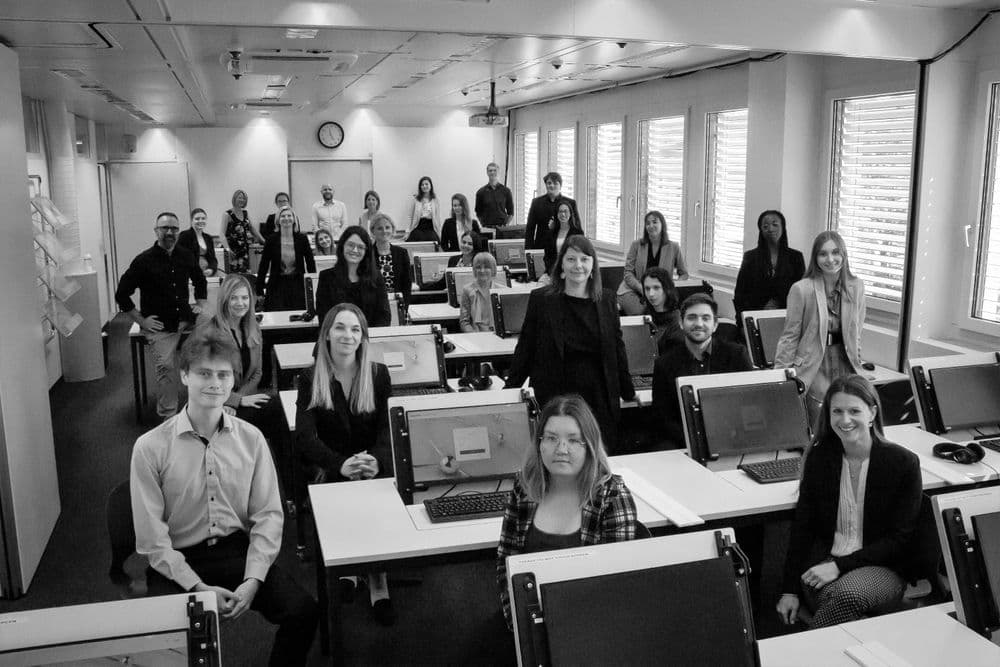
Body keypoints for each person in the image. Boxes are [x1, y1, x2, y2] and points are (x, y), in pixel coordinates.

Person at [130, 331, 318, 666]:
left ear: (233, 381)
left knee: (302, 612)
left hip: (235, 550)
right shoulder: (150, 447)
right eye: (204, 373)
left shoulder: (252, 439)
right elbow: (151, 539)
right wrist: (196, 587)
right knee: (159, 639)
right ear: (185, 375)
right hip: (177, 560)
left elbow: (269, 515)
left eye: (223, 375)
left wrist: (253, 580)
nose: (215, 383)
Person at [776, 375, 922, 629]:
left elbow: (899, 539)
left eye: (854, 411)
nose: (845, 420)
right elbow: (803, 528)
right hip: (824, 566)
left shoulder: (902, 463)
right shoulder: (820, 459)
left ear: (872, 413)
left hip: (882, 568)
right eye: (837, 411)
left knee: (846, 596)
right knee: (844, 605)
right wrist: (789, 591)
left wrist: (839, 566)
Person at [496, 394, 638, 624]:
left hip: (590, 621)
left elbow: (616, 582)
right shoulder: (525, 488)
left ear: (589, 446)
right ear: (539, 443)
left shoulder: (612, 496)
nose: (561, 449)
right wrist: (518, 623)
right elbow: (507, 560)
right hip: (529, 616)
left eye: (573, 440)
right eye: (551, 438)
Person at [295, 304, 395, 625]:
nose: (347, 335)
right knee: (345, 500)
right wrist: (341, 464)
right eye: (339, 327)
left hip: (372, 464)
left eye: (355, 330)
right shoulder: (311, 377)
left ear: (363, 337)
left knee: (376, 498)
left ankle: (378, 579)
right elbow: (306, 439)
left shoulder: (378, 374)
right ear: (326, 333)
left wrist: (376, 460)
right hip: (334, 465)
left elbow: (387, 428)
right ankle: (350, 571)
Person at [505, 235, 635, 452]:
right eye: (571, 259)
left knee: (596, 456)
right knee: (559, 454)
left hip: (598, 394)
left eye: (585, 259)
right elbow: (526, 347)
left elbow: (617, 348)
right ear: (562, 264)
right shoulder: (542, 299)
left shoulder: (606, 300)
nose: (578, 266)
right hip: (555, 392)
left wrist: (628, 391)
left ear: (593, 266)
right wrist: (509, 391)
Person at [115, 212, 208, 419]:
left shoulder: (186, 255)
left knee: (208, 353)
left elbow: (200, 280)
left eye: (174, 228)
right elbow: (122, 294)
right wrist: (140, 320)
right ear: (156, 231)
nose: (169, 232)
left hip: (186, 321)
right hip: (160, 327)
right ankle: (169, 418)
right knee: (166, 366)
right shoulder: (143, 260)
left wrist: (200, 304)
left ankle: (206, 407)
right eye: (164, 228)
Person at [774, 230, 867, 424]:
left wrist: (858, 361)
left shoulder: (856, 286)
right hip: (813, 362)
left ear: (843, 255)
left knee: (849, 419)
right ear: (815, 258)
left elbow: (856, 331)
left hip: (845, 360)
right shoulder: (802, 289)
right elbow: (790, 335)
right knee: (822, 421)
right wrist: (780, 374)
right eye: (823, 254)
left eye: (835, 252)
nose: (830, 259)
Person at [651, 293, 751, 449]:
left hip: (731, 439)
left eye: (705, 318)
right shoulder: (664, 364)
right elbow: (663, 419)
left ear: (715, 324)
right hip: (684, 442)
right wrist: (698, 439)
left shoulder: (737, 355)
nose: (699, 323)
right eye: (691, 317)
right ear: (681, 322)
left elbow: (748, 405)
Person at [733, 209, 806, 322]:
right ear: (761, 230)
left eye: (775, 224)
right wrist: (742, 323)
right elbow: (740, 294)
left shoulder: (796, 257)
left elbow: (801, 293)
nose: (770, 229)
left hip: (787, 318)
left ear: (783, 227)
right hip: (755, 317)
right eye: (765, 226)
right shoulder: (750, 257)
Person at [315, 224, 390, 326]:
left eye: (360, 247)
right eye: (350, 245)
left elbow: (384, 316)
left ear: (366, 251)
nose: (355, 250)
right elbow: (324, 318)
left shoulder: (376, 278)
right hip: (337, 339)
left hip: (369, 338)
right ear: (342, 246)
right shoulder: (326, 277)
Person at [617, 210, 689, 315]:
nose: (651, 225)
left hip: (659, 293)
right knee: (641, 313)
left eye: (655, 222)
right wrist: (641, 288)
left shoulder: (673, 247)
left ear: (662, 225)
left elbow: (684, 274)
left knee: (672, 313)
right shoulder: (636, 245)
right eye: (648, 223)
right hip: (631, 290)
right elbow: (628, 273)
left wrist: (669, 286)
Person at [255, 206, 315, 311]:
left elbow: (310, 263)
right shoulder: (271, 240)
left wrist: (313, 284)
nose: (286, 218)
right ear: (278, 220)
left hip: (298, 285)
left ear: (294, 219)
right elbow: (263, 265)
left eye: (289, 215)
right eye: (283, 216)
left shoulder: (302, 239)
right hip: (276, 285)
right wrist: (259, 290)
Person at [525, 172, 580, 258]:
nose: (552, 185)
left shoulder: (570, 203)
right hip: (541, 248)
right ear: (546, 185)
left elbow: (577, 227)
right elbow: (530, 229)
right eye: (549, 183)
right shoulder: (537, 202)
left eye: (555, 183)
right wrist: (528, 252)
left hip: (563, 248)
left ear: (560, 185)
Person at [370, 212, 412, 306]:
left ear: (392, 229)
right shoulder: (368, 255)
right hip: (375, 305)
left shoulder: (402, 253)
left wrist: (404, 307)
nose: (384, 231)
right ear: (373, 231)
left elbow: (407, 284)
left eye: (387, 227)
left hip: (397, 303)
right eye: (380, 228)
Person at [221, 189, 264, 274]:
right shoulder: (227, 214)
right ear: (234, 199)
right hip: (232, 251)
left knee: (245, 275)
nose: (241, 200)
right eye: (239, 197)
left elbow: (252, 229)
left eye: (243, 198)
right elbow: (221, 234)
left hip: (244, 250)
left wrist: (263, 241)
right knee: (233, 277)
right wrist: (227, 249)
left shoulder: (245, 213)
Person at [640, 267, 682, 352]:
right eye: (647, 289)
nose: (651, 294)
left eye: (656, 288)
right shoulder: (645, 313)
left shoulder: (677, 321)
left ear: (667, 289)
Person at [459, 252, 499, 332]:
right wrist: (475, 336)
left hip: (498, 334)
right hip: (475, 334)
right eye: (478, 267)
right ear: (474, 270)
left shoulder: (502, 291)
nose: (482, 270)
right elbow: (464, 322)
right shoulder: (467, 290)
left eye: (487, 267)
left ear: (493, 269)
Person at [543, 199, 584, 272]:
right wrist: (552, 272)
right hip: (553, 271)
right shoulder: (551, 233)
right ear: (557, 214)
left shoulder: (578, 233)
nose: (563, 214)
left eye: (565, 211)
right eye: (560, 211)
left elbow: (579, 256)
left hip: (572, 271)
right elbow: (547, 257)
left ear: (570, 213)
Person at [177, 208, 219, 277]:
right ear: (191, 221)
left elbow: (213, 259)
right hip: (190, 274)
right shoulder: (184, 236)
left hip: (207, 273)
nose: (200, 221)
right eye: (197, 219)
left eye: (203, 218)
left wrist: (211, 269)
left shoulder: (208, 238)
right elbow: (180, 258)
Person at [475, 162, 515, 229]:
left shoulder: (506, 191)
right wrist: (483, 224)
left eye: (495, 170)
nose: (492, 172)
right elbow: (478, 212)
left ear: (498, 172)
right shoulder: (481, 192)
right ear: (487, 173)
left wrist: (506, 224)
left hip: (502, 228)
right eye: (490, 170)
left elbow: (511, 213)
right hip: (487, 228)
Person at [406, 176, 441, 243]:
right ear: (420, 187)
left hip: (431, 227)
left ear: (431, 186)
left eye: (426, 184)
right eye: (422, 185)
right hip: (418, 227)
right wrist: (407, 231)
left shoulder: (435, 200)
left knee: (434, 243)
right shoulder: (416, 199)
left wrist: (439, 232)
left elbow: (438, 217)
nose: (424, 186)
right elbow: (410, 216)